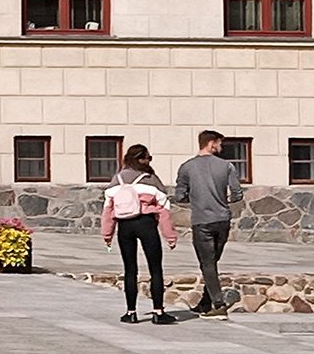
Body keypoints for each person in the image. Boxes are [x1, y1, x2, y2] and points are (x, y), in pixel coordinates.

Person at [172, 129, 241, 318]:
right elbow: (237, 194)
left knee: (207, 263)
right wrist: (222, 199)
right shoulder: (227, 166)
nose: (220, 147)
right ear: (211, 143)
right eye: (219, 143)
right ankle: (205, 302)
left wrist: (196, 197)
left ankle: (218, 304)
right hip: (223, 219)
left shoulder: (186, 167)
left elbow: (179, 196)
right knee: (211, 263)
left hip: (202, 220)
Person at [101, 145, 172, 323]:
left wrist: (107, 235)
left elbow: (107, 212)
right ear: (141, 159)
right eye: (148, 158)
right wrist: (170, 236)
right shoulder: (151, 179)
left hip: (125, 226)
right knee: (155, 269)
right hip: (146, 224)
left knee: (130, 269)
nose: (149, 161)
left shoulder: (117, 179)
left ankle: (130, 312)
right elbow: (164, 210)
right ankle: (158, 312)